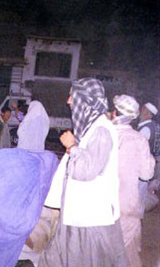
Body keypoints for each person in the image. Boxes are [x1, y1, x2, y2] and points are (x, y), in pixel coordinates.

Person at [39, 78, 127, 267]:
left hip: (90, 219)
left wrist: (72, 146)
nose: (68, 101)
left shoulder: (102, 130)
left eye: (72, 96)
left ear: (85, 100)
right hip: (76, 213)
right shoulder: (91, 129)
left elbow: (86, 171)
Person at [111, 94, 155, 267]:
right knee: (126, 251)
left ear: (114, 112)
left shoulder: (101, 133)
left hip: (101, 204)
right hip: (126, 205)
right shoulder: (139, 139)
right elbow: (146, 175)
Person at [137, 102, 160, 190]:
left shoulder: (146, 128)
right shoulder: (149, 125)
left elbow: (139, 149)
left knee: (158, 185)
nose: (140, 111)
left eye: (143, 109)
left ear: (148, 114)